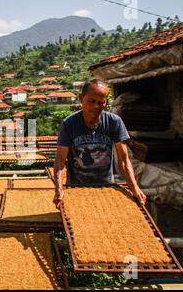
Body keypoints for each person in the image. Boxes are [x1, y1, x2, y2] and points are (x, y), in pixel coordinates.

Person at [53, 79, 146, 208]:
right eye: (92, 101)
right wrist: (59, 189)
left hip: (106, 187)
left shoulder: (114, 122)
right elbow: (60, 161)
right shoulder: (69, 124)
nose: (96, 106)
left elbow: (124, 160)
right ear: (81, 98)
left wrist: (135, 188)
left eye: (101, 102)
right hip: (76, 188)